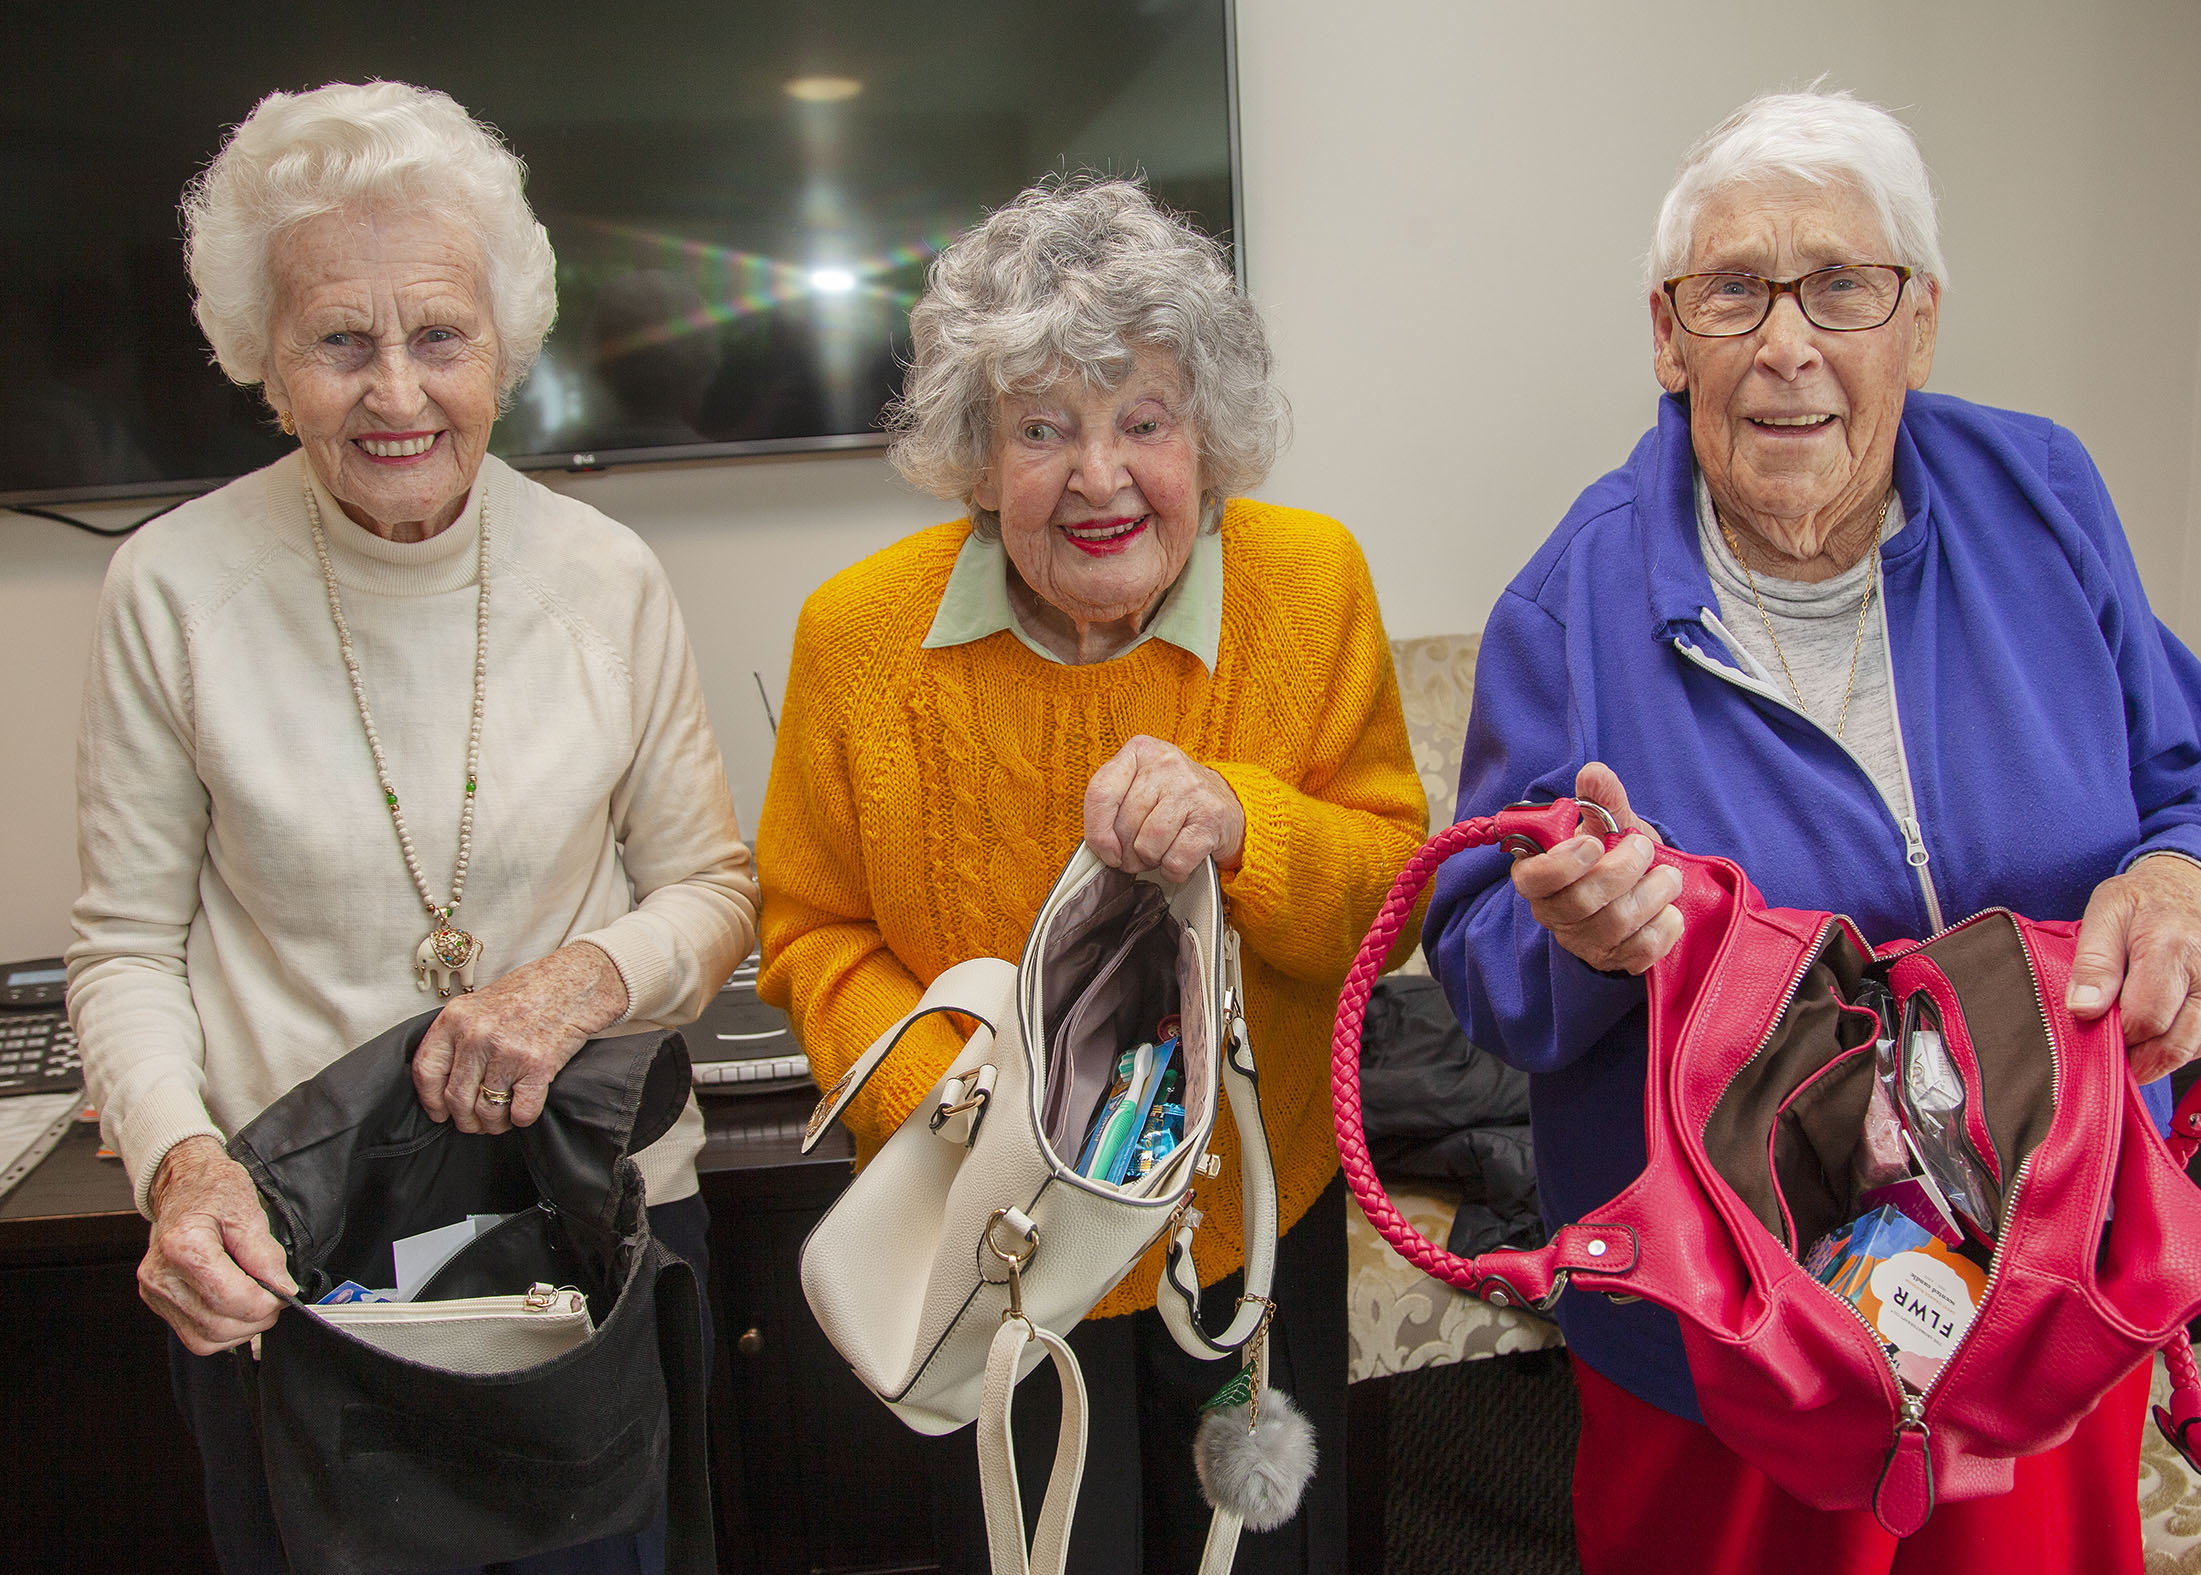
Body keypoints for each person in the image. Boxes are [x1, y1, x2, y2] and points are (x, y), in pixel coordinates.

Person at [1424, 89, 2201, 1575]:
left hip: (2044, 1264)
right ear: (1666, 333)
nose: (1785, 344)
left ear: (1918, 325)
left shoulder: (2043, 498)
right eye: (1733, 290)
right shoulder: (1568, 609)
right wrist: (1572, 931)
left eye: (1840, 287)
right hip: (1739, 1337)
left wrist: (2191, 886)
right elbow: (1484, 961)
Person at [65, 81, 757, 1574]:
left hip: (584, 1243)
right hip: (292, 1258)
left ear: (504, 343)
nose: (396, 393)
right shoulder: (174, 590)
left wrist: (573, 983)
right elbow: (124, 948)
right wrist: (180, 1168)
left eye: (439, 336)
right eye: (339, 341)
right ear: (265, 358)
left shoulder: (608, 575)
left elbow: (708, 892)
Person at [756, 175, 1427, 1575]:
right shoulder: (857, 640)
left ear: (1209, 437)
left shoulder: (1309, 586)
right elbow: (806, 931)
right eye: (1041, 429)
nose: (1100, 477)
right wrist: (964, 1101)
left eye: (1144, 421)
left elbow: (1390, 895)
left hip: (1248, 1220)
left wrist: (1244, 825)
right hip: (984, 1232)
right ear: (974, 453)